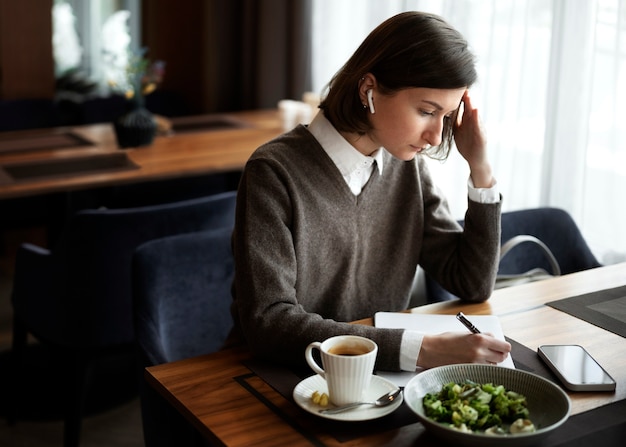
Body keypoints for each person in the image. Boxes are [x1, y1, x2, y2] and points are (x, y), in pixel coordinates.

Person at [231, 11, 511, 372]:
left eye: (447, 116)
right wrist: (420, 350)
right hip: (282, 374)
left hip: (379, 377)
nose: (437, 137)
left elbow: (471, 282)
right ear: (369, 90)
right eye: (427, 111)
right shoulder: (273, 172)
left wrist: (481, 169)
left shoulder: (407, 168)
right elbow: (269, 324)